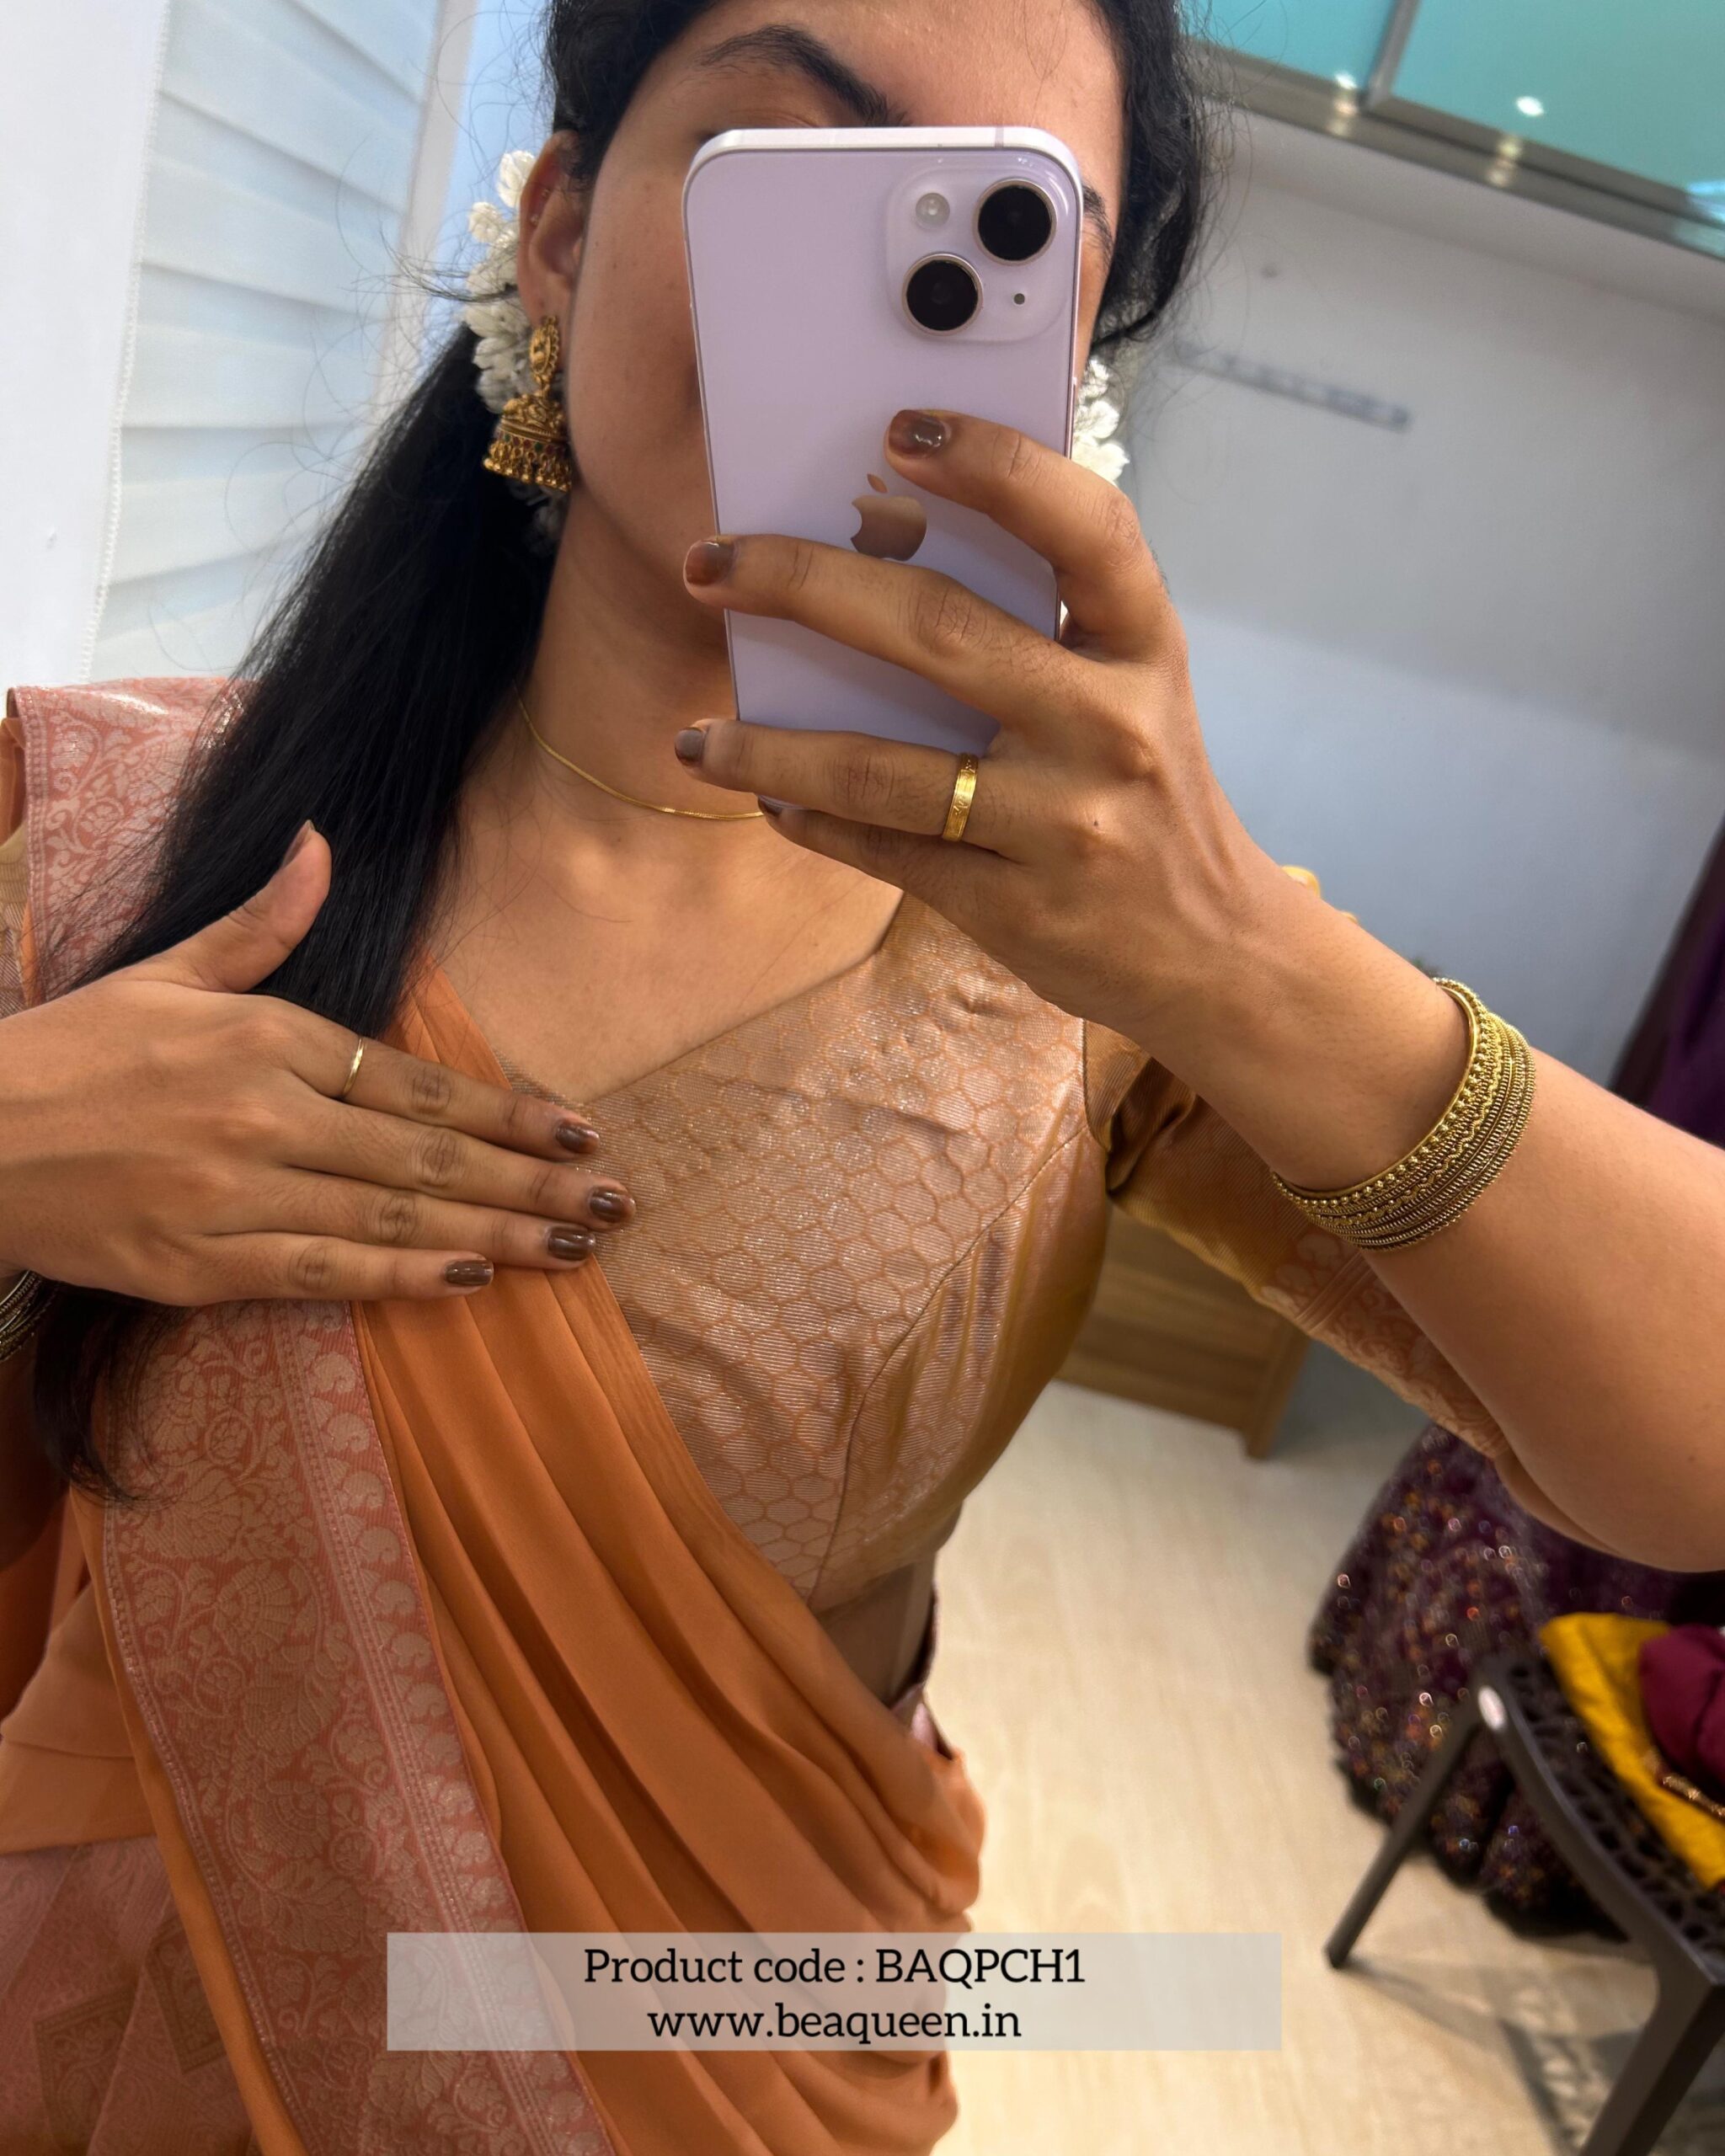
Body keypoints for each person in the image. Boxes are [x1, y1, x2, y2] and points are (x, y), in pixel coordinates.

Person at [3, 0, 1724, 2148]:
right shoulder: (101, 824)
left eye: (989, 235)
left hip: (720, 2045)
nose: (865, 288)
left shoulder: (1103, 977)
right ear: (560, 229)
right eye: (783, 165)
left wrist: (1238, 947)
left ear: (1064, 377)